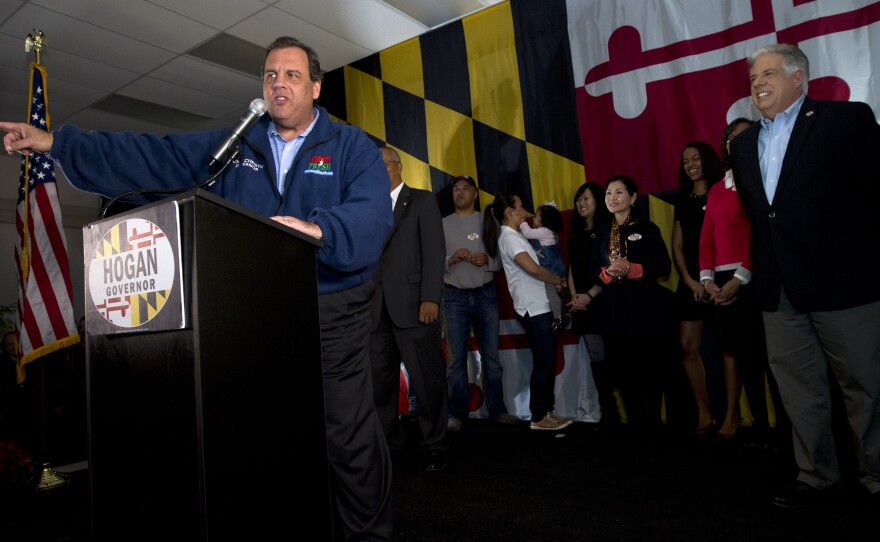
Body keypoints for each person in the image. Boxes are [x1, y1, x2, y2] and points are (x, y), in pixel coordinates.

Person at [2, 36, 394, 539]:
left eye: (292, 75)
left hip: (329, 314)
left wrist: (318, 231)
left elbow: (370, 213)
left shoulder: (350, 146)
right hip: (256, 311)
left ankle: (368, 535)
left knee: (345, 435)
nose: (279, 83)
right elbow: (148, 156)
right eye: (270, 75)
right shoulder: (237, 144)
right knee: (263, 430)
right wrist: (57, 144)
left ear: (315, 87)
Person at [730, 43, 880, 508]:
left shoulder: (845, 120)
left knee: (866, 386)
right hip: (779, 289)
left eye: (769, 73)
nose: (758, 83)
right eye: (754, 77)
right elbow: (762, 217)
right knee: (798, 391)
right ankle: (816, 476)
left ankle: (876, 478)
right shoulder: (741, 144)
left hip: (843, 281)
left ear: (799, 78)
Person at [370, 146, 448, 472]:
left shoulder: (422, 200)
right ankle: (390, 444)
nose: (378, 171)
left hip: (415, 307)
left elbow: (433, 252)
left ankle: (434, 445)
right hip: (375, 311)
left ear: (398, 167)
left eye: (384, 165)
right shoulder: (366, 206)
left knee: (426, 381)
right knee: (379, 386)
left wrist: (430, 297)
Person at [588, 176, 673, 435]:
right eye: (608, 193)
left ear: (633, 197)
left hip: (644, 308)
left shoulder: (647, 229)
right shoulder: (602, 233)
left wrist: (632, 269)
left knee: (648, 366)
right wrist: (609, 272)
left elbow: (663, 268)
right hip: (614, 310)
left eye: (619, 192)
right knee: (622, 368)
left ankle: (652, 421)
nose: (612, 198)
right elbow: (594, 272)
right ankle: (634, 421)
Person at [484, 194, 571, 431]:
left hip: (540, 305)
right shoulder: (509, 238)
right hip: (533, 308)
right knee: (544, 361)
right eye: (520, 207)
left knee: (547, 360)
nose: (525, 211)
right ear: (510, 212)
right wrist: (557, 279)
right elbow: (532, 269)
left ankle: (546, 411)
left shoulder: (517, 236)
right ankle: (540, 415)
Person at [442, 175, 519, 431]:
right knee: (455, 361)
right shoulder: (441, 225)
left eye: (466, 188)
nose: (460, 192)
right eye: (456, 189)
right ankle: (457, 414)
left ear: (476, 194)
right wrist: (451, 260)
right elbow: (432, 262)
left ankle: (498, 411)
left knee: (492, 358)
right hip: (453, 297)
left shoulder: (489, 222)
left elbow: (502, 261)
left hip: (486, 294)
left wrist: (487, 261)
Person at [671, 141, 726, 438]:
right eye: (685, 160)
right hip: (690, 281)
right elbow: (677, 245)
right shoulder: (682, 199)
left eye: (695, 158)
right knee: (688, 348)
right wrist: (690, 280)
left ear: (707, 160)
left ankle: (728, 415)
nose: (690, 164)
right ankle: (704, 413)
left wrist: (710, 281)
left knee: (721, 352)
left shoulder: (722, 191)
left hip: (721, 280)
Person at [565, 182, 617, 426]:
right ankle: (608, 408)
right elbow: (571, 269)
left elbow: (611, 270)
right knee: (596, 356)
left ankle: (622, 407)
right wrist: (575, 297)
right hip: (581, 304)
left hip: (604, 300)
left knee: (612, 355)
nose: (581, 203)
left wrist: (590, 295)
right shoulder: (574, 233)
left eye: (586, 198)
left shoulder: (608, 229)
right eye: (578, 199)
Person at [519, 204, 570, 333]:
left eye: (536, 216)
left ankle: (559, 317)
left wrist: (522, 221)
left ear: (545, 221)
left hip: (550, 269)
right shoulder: (547, 233)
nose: (533, 218)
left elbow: (527, 233)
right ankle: (562, 314)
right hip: (553, 268)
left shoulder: (544, 231)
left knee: (551, 293)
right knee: (555, 294)